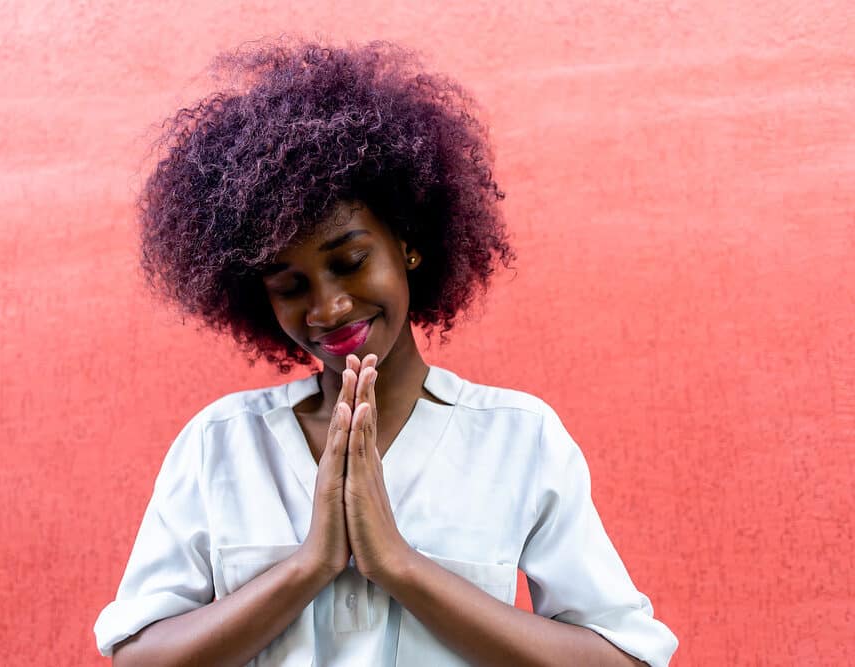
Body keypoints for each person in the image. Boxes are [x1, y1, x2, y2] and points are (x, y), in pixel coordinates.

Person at [94, 40, 678, 666]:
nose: (328, 307)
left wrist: (399, 565)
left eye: (349, 262)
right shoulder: (222, 445)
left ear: (408, 244)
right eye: (290, 286)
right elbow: (138, 658)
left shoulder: (519, 439)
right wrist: (310, 564)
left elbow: (626, 659)